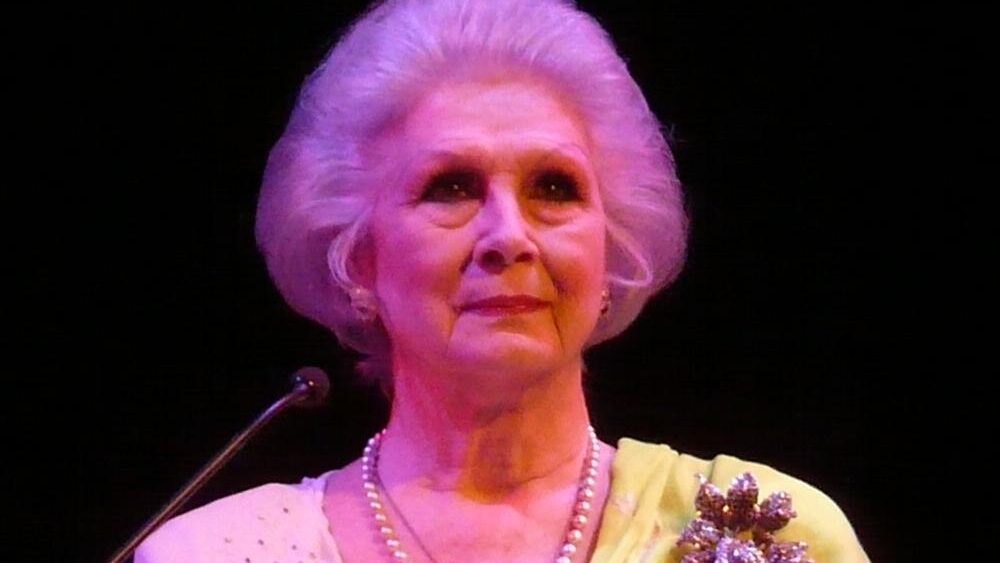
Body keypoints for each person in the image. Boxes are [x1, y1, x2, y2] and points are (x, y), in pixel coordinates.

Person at [136, 0, 869, 561]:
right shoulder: (216, 550)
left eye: (555, 188)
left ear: (610, 254)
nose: (509, 236)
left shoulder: (772, 530)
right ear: (358, 260)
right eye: (450, 187)